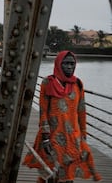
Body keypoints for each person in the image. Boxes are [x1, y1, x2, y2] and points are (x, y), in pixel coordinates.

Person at [23, 51, 101, 183]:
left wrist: (83, 135)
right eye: (66, 63)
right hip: (53, 135)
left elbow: (81, 110)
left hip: (72, 137)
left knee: (69, 174)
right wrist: (45, 137)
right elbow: (43, 111)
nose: (70, 67)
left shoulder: (77, 84)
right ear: (58, 64)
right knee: (51, 173)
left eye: (72, 63)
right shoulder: (48, 82)